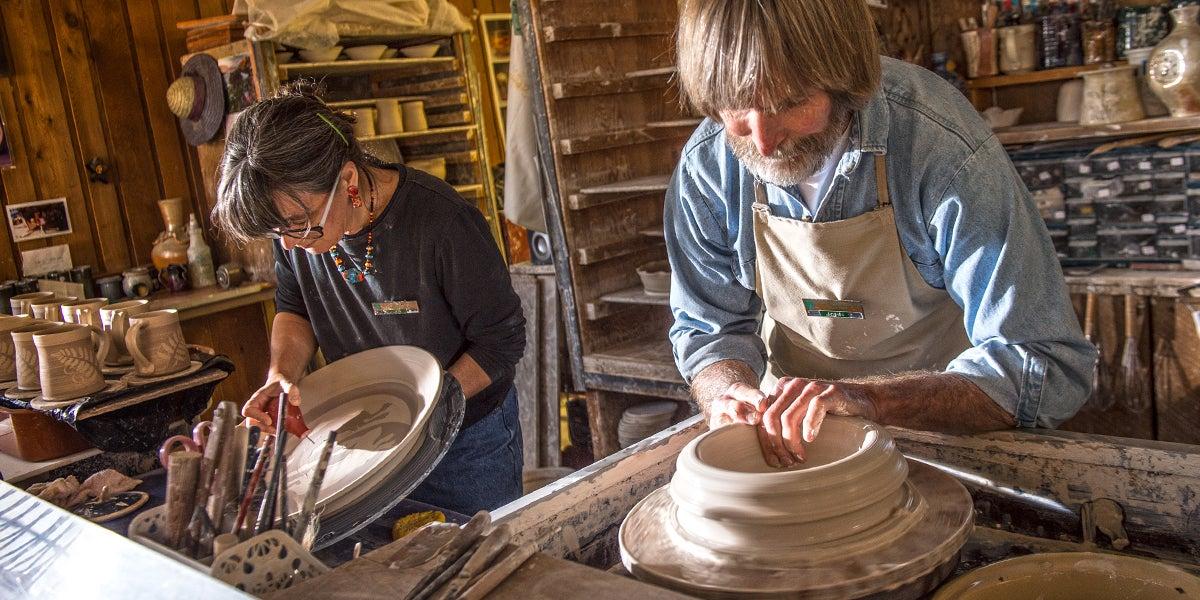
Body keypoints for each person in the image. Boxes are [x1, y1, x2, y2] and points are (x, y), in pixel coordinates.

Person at [666, 0, 1096, 468]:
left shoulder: (941, 148)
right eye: (736, 108)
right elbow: (709, 329)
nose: (764, 141)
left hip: (948, 429)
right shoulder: (708, 167)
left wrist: (869, 400)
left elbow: (1043, 363)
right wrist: (724, 391)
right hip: (795, 442)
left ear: (845, 81)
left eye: (789, 103)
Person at [213, 83, 526, 514]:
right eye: (276, 232)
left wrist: (428, 408)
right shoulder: (296, 231)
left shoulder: (443, 223)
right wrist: (280, 375)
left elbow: (502, 341)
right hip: (369, 438)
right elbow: (295, 306)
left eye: (297, 226)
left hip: (464, 440)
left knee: (479, 561)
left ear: (348, 180)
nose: (287, 245)